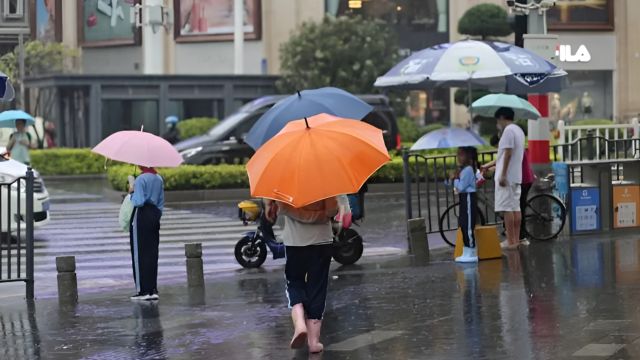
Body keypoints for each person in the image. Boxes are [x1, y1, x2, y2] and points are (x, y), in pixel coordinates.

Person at [266, 197, 338, 354]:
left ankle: (299, 323)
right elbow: (333, 210)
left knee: (294, 282)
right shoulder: (326, 179)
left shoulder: (285, 185)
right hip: (321, 241)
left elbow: (280, 211)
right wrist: (320, 215)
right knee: (318, 287)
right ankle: (314, 342)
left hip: (295, 242)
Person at [480, 107, 525, 250]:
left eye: (497, 120)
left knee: (507, 209)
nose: (497, 123)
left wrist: (503, 174)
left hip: (506, 177)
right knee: (515, 208)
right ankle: (516, 239)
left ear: (502, 118)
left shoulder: (508, 131)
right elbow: (504, 155)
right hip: (516, 176)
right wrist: (488, 165)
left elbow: (508, 154)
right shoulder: (518, 130)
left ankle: (511, 241)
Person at [129, 166, 165, 301]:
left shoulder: (140, 179)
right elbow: (161, 202)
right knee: (152, 252)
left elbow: (138, 202)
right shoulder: (159, 179)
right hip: (155, 214)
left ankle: (143, 290)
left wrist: (131, 192)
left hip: (142, 215)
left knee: (140, 253)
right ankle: (152, 289)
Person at [451, 146, 479, 263]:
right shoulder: (464, 169)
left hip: (468, 197)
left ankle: (471, 250)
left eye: (461, 155)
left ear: (467, 156)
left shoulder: (467, 170)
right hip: (464, 197)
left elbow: (461, 187)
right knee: (463, 223)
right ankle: (466, 249)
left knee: (467, 225)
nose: (458, 157)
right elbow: (457, 188)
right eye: (458, 154)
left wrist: (456, 179)